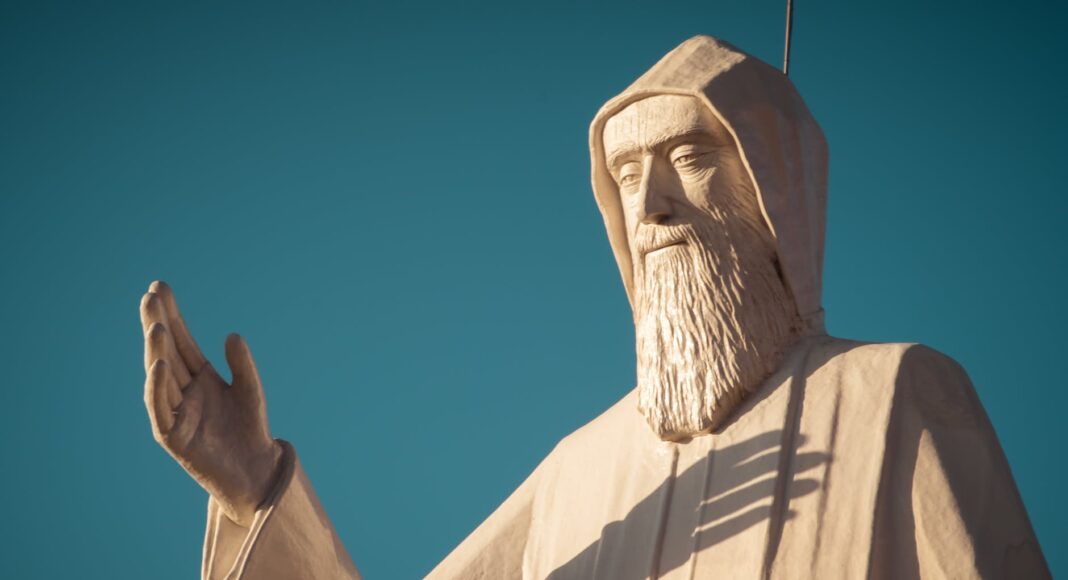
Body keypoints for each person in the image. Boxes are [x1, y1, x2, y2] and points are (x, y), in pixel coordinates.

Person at [140, 36, 1050, 579]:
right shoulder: (579, 478)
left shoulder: (896, 398)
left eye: (692, 160)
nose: (651, 208)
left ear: (774, 194)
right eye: (626, 176)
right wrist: (252, 486)